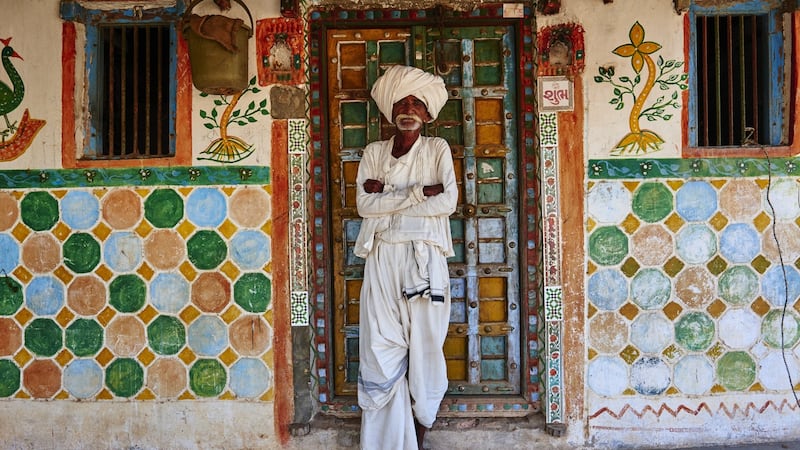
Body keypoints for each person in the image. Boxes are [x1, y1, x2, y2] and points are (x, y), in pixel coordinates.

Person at [354, 65, 458, 450]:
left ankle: (420, 430)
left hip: (425, 260)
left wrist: (389, 198)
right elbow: (364, 206)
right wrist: (417, 194)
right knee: (381, 347)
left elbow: (448, 201)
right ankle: (384, 443)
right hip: (382, 256)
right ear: (391, 110)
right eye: (401, 101)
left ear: (428, 113)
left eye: (416, 102)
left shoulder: (437, 149)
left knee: (426, 346)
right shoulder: (374, 152)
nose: (408, 108)